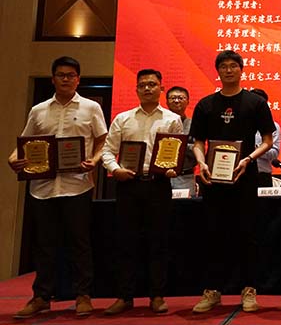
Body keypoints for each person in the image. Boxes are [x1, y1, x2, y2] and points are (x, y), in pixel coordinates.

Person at [7, 56, 107, 319]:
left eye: (71, 75)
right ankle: (41, 297)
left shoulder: (91, 108)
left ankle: (83, 295)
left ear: (78, 79)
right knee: (44, 245)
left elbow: (102, 141)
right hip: (43, 188)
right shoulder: (38, 110)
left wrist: (94, 160)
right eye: (61, 75)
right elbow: (25, 143)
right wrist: (13, 159)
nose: (66, 79)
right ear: (53, 79)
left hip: (77, 186)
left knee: (79, 243)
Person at [189, 51, 275, 313]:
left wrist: (248, 159)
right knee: (214, 233)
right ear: (218, 71)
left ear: (241, 69)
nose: (228, 70)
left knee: (248, 234)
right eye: (224, 66)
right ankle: (213, 291)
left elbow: (268, 141)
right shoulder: (206, 104)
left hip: (244, 175)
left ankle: (249, 290)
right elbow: (198, 142)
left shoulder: (255, 103)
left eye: (233, 66)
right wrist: (202, 163)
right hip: (213, 178)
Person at [100, 69, 184, 315]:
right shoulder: (123, 118)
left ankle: (157, 296)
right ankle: (124, 296)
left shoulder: (172, 119)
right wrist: (115, 169)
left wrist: (172, 168)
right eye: (143, 85)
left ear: (161, 88)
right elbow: (107, 151)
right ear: (136, 89)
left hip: (158, 185)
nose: (147, 88)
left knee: (159, 241)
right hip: (128, 185)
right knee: (126, 242)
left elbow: (175, 151)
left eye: (152, 84)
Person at [166, 86, 197, 195]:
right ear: (167, 102)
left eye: (180, 98)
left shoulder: (194, 124)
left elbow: (197, 150)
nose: (176, 101)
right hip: (162, 176)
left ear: (188, 101)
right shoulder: (160, 123)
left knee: (186, 205)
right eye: (173, 98)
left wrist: (177, 144)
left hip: (185, 175)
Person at [250, 89, 281, 187]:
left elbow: (274, 154)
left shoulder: (273, 126)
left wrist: (257, 150)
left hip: (262, 175)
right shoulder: (239, 125)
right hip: (240, 173)